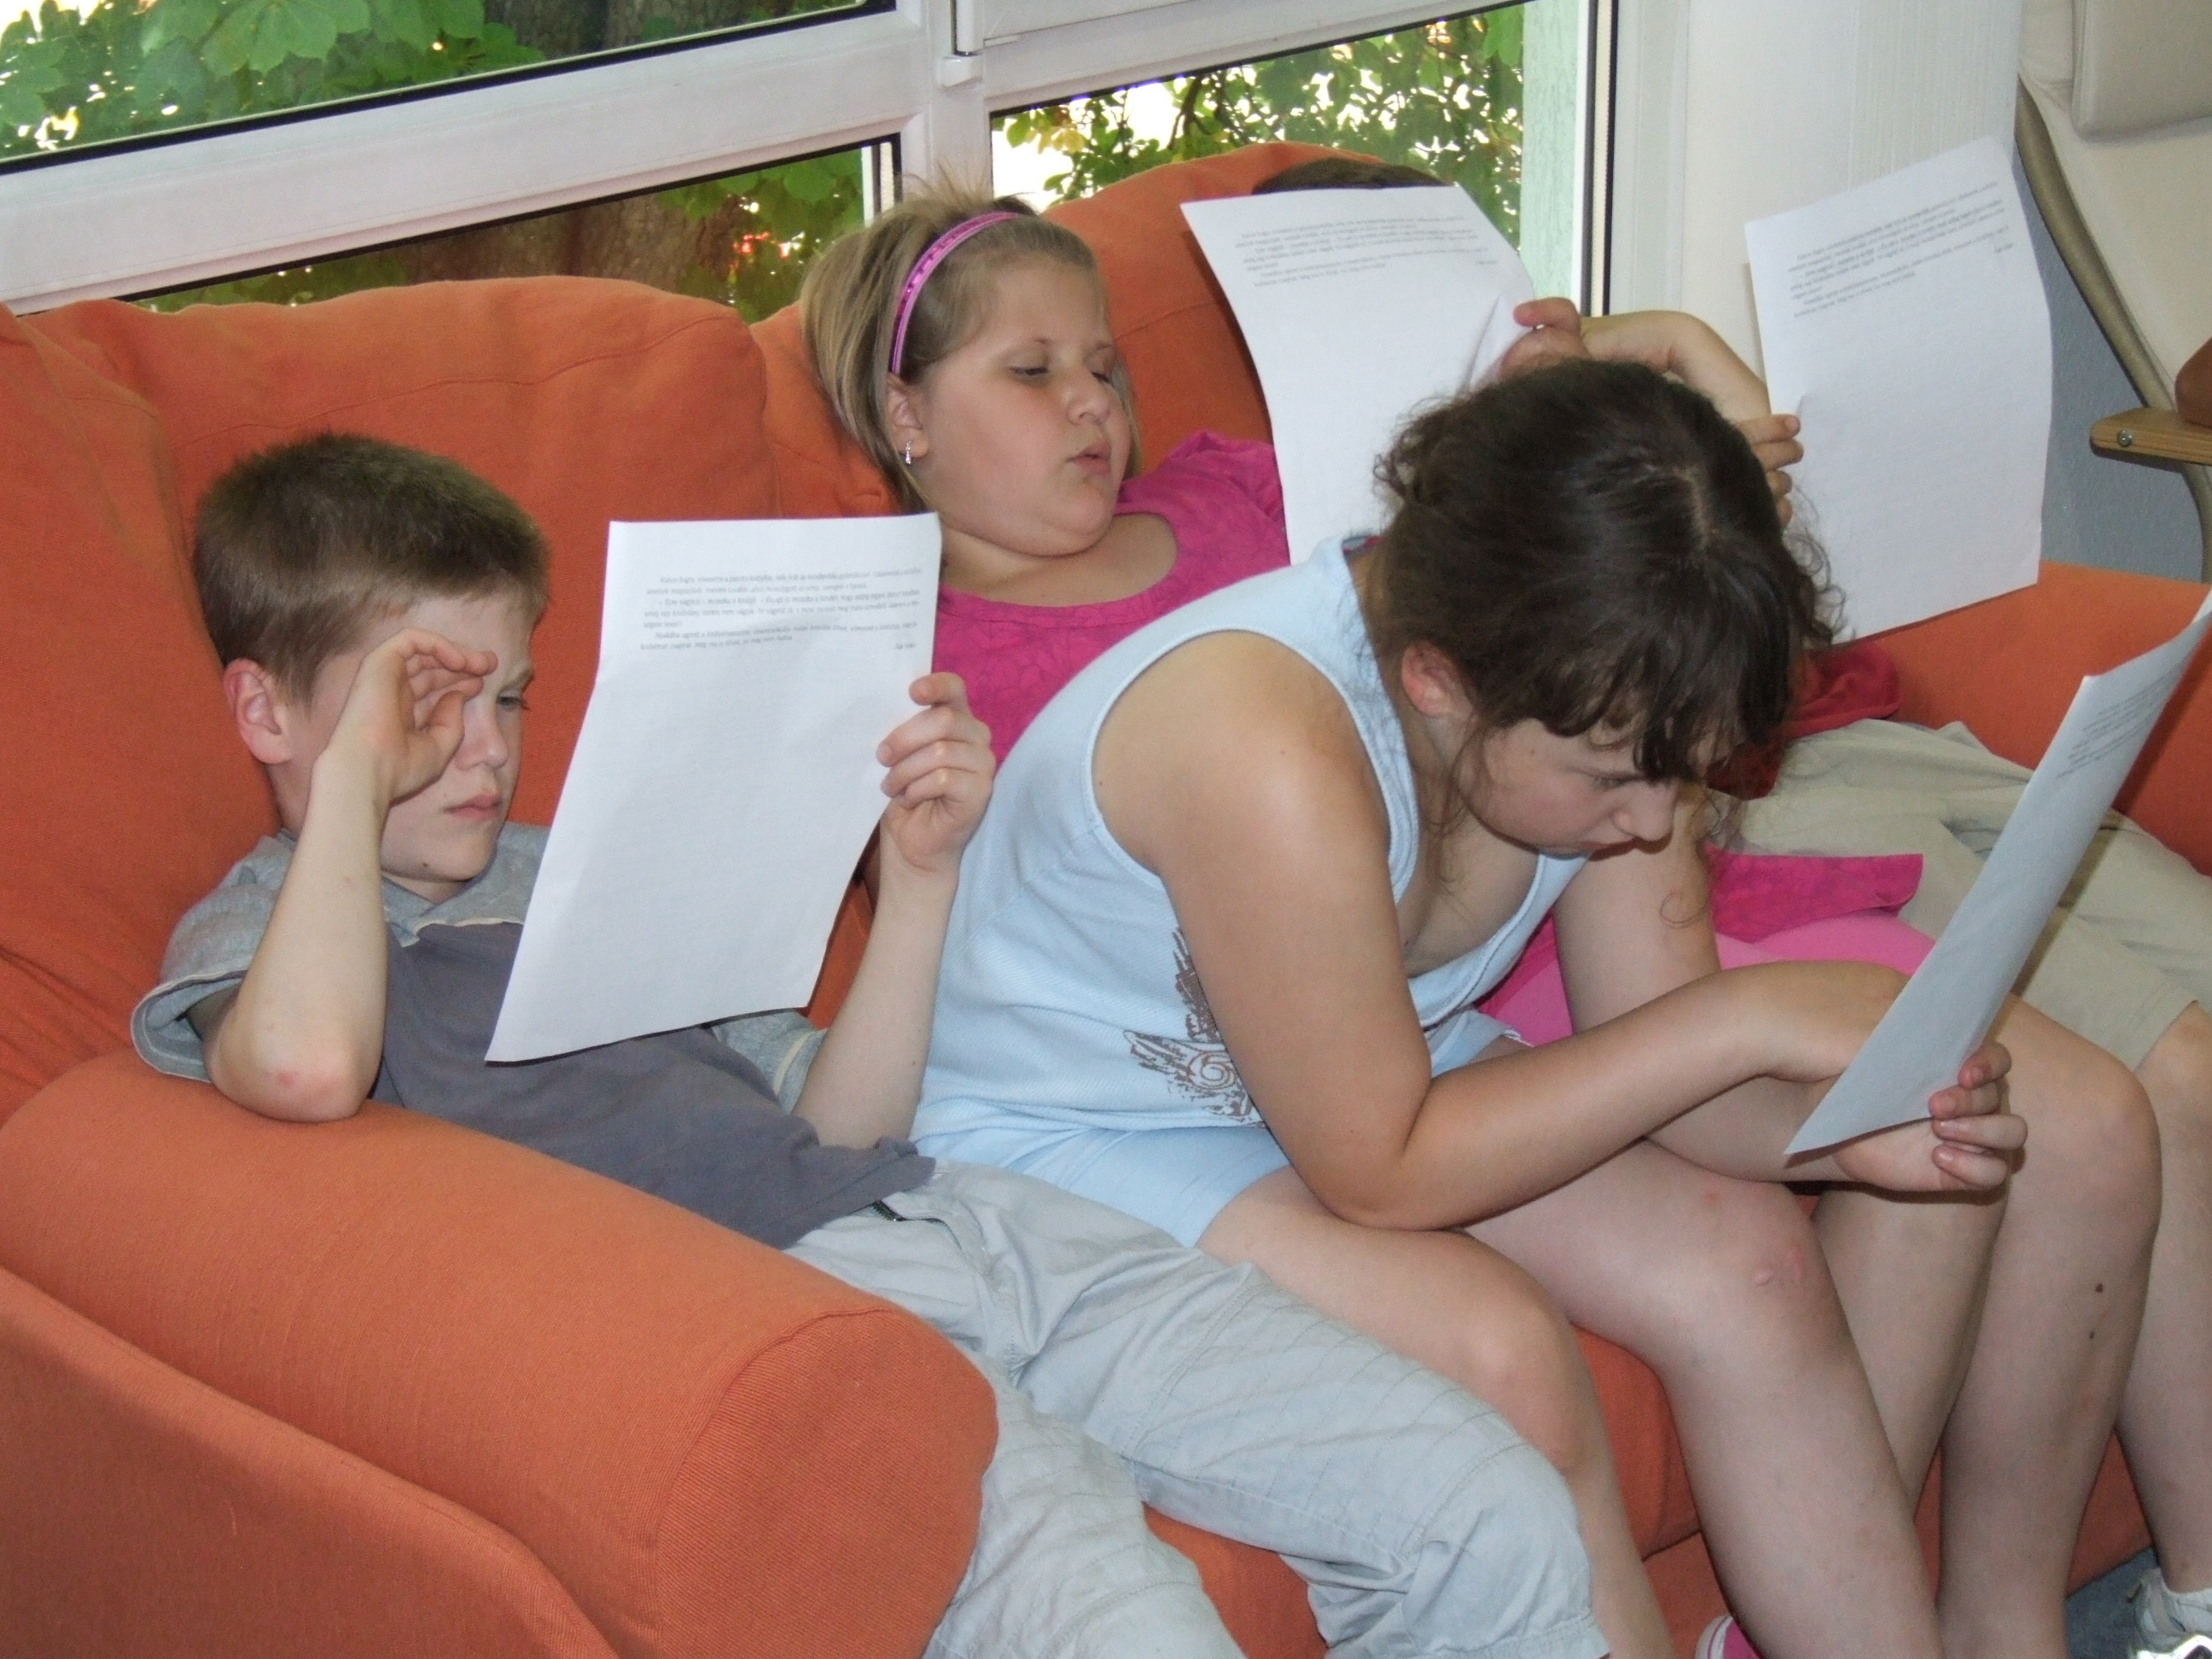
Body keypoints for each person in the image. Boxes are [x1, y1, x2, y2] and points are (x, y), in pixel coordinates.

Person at [132, 432, 1610, 1659]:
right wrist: (348, 787)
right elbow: (307, 1070)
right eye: (424, 701)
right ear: (263, 709)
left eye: (506, 696)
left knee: (1486, 1509)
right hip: (806, 1332)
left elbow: (840, 1122)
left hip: (974, 1226)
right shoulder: (264, 937)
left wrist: (917, 886)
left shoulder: (586, 864)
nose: (483, 747)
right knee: (1133, 1634)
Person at [909, 358, 2165, 1659]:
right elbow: (1385, 1171)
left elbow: (1679, 1086)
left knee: (1752, 1263)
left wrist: (1848, 1126)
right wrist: (1760, 1015)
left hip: (1356, 1068)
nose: (1656, 820)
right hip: (1081, 1130)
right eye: (1616, 780)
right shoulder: (1264, 746)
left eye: (1678, 773)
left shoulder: (1601, 700)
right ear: (1441, 684)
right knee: (1505, 1354)